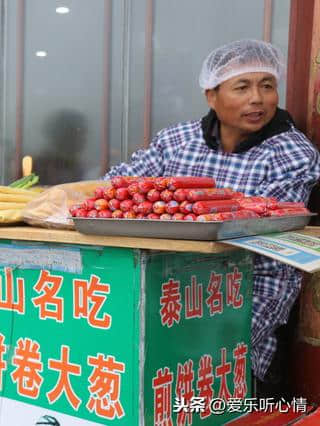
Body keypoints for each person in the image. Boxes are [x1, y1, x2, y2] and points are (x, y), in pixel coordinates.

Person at [103, 39, 320, 395]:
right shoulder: (177, 140)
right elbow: (118, 187)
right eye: (242, 87)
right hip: (164, 287)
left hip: (245, 296)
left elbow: (270, 243)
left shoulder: (291, 153)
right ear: (211, 95)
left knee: (212, 387)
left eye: (267, 86)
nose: (257, 99)